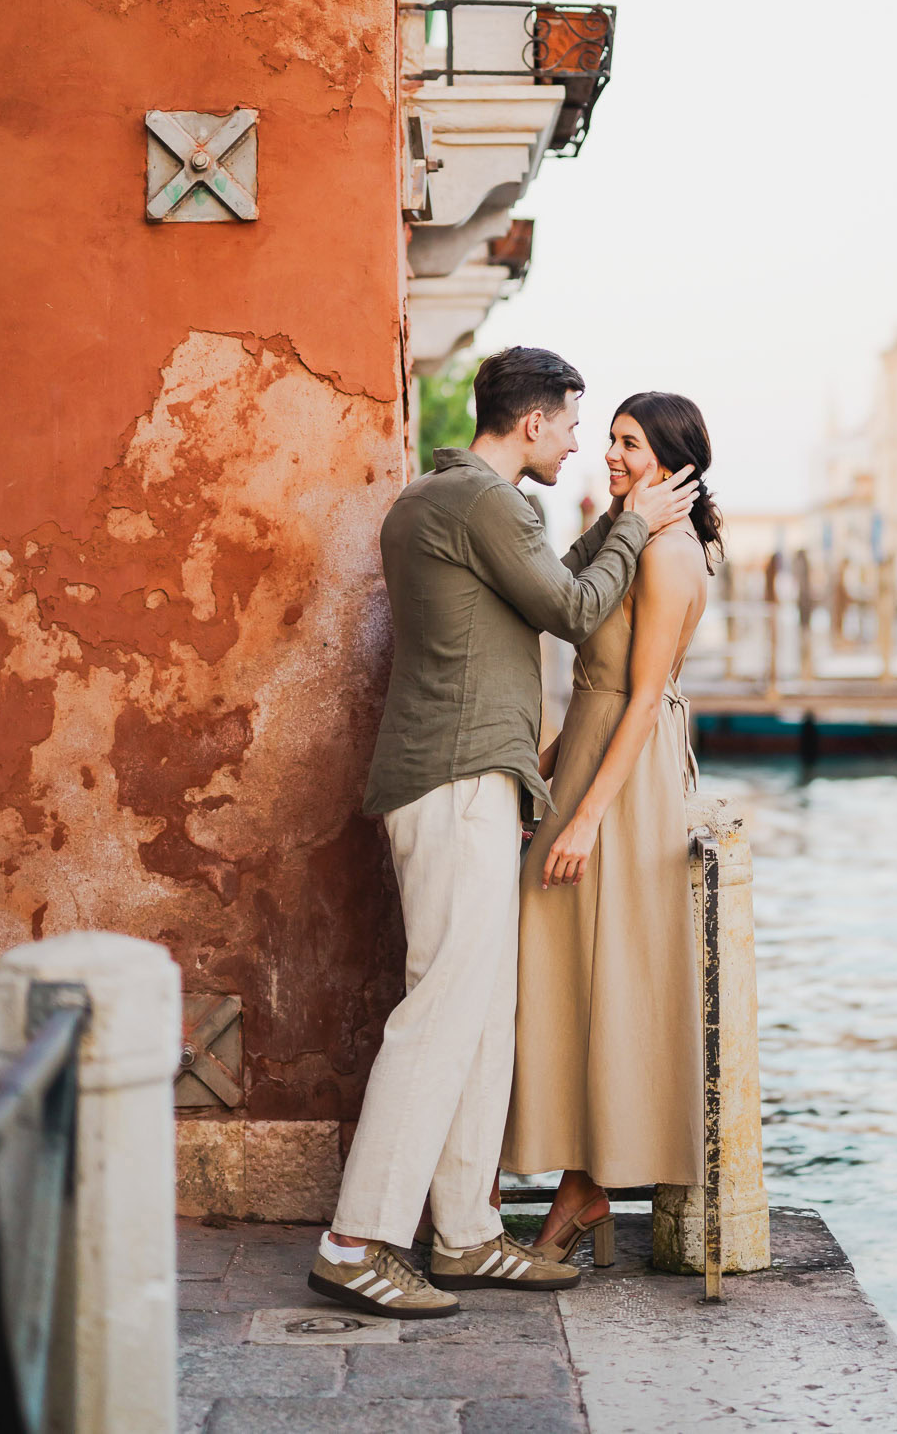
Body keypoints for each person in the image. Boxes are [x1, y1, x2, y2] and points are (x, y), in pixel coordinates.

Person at [308, 349, 698, 1318]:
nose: (579, 445)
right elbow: (571, 609)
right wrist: (634, 525)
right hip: (453, 782)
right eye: (572, 426)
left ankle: (466, 1234)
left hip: (471, 781)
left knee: (481, 1018)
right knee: (442, 1013)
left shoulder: (441, 500)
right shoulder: (483, 503)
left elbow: (545, 587)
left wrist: (615, 526)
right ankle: (354, 1241)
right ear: (530, 423)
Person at [502, 391, 722, 1265]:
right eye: (612, 442)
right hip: (590, 759)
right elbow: (595, 688)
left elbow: (639, 699)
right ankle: (575, 1184)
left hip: (625, 784)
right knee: (561, 966)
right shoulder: (641, 541)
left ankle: (589, 1185)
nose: (612, 457)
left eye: (630, 445)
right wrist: (546, 768)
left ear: (673, 461)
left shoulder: (671, 556)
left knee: (611, 972)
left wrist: (587, 819)